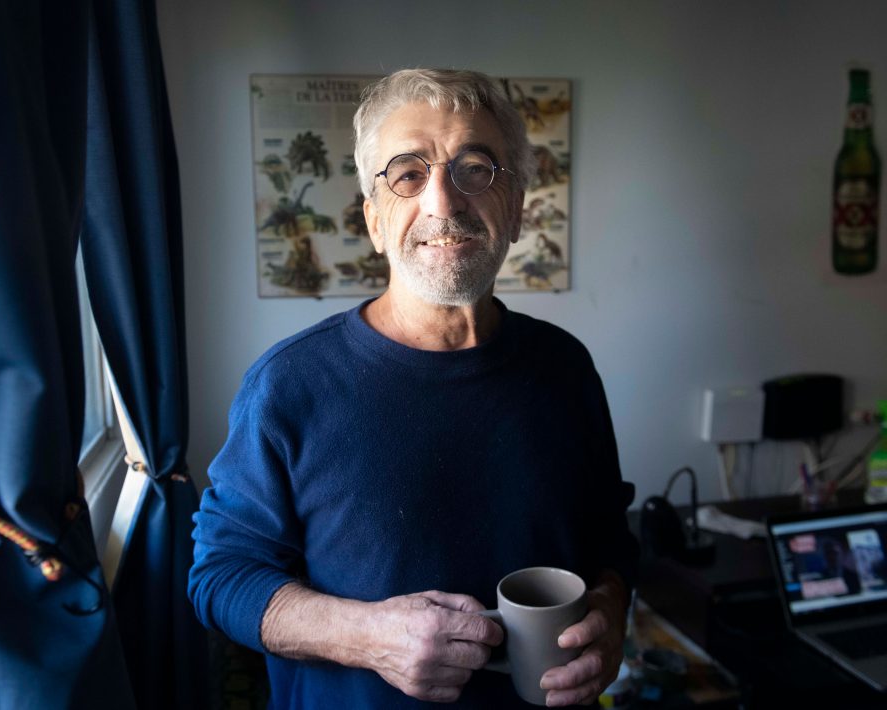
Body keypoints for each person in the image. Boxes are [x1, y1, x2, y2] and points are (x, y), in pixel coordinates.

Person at [189, 68, 639, 708]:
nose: (444, 202)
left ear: (513, 209)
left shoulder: (565, 368)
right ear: (375, 220)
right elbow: (220, 578)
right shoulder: (289, 385)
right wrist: (364, 635)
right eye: (408, 174)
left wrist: (612, 610)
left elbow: (608, 541)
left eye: (475, 168)